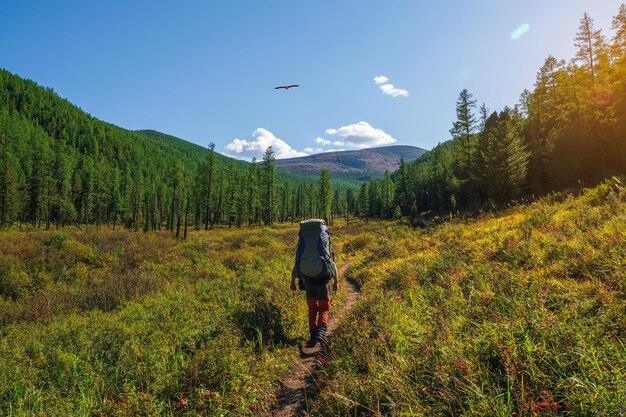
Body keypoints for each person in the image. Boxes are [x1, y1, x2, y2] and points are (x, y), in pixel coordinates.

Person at [290, 219, 338, 348]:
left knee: (312, 309)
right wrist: (336, 283)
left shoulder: (304, 243)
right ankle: (321, 332)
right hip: (322, 282)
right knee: (323, 308)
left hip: (308, 281)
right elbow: (332, 265)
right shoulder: (323, 243)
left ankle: (312, 336)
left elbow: (296, 266)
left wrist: (293, 282)